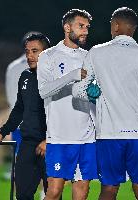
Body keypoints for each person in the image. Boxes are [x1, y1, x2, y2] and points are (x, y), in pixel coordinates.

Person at [72, 7, 138, 200]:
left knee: (109, 189)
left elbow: (78, 91)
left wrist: (97, 94)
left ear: (115, 25)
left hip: (110, 133)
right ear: (134, 29)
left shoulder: (97, 52)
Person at [37, 9, 97, 200]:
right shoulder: (48, 56)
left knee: (81, 192)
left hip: (87, 137)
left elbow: (94, 95)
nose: (85, 31)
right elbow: (44, 91)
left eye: (87, 27)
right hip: (60, 137)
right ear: (67, 27)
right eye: (81, 26)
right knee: (53, 192)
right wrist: (71, 76)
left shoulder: (90, 57)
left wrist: (95, 93)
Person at [0, 32, 51, 200]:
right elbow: (19, 109)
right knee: (22, 194)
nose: (29, 56)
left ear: (46, 52)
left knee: (52, 194)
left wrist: (49, 138)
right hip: (28, 142)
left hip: (51, 144)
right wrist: (2, 133)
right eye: (27, 51)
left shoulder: (57, 77)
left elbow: (62, 113)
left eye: (34, 51)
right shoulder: (25, 76)